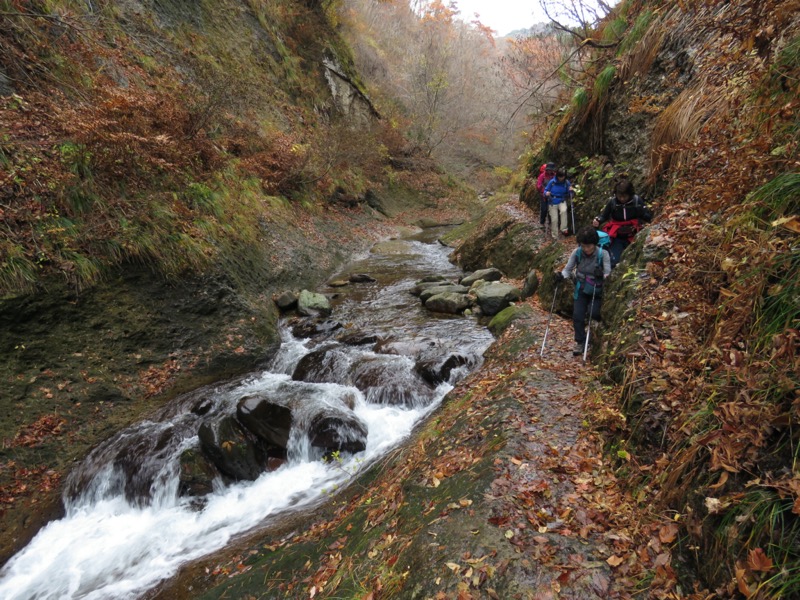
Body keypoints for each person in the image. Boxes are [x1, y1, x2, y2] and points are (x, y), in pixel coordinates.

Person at [555, 227, 611, 356]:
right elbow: (567, 270)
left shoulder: (603, 254)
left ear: (595, 244)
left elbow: (608, 274)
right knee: (577, 316)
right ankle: (580, 342)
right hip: (581, 288)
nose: (586, 249)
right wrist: (561, 276)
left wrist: (601, 275)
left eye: (589, 246)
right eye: (583, 246)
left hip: (596, 290)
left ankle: (592, 338)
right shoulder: (577, 252)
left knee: (594, 313)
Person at [592, 179, 652, 267]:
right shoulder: (612, 202)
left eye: (625, 196)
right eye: (620, 196)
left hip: (634, 235)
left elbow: (649, 218)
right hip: (617, 236)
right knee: (614, 261)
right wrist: (598, 220)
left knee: (634, 261)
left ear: (630, 194)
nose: (622, 199)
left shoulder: (636, 201)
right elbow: (604, 216)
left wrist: (642, 212)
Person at [544, 168, 573, 240]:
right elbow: (546, 190)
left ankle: (564, 229)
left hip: (562, 200)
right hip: (552, 201)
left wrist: (571, 191)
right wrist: (546, 193)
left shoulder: (566, 182)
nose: (561, 178)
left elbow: (570, 193)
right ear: (557, 176)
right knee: (554, 219)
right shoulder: (552, 182)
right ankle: (555, 235)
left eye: (562, 176)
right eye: (560, 176)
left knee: (563, 211)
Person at [536, 162, 556, 230]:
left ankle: (551, 223)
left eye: (551, 170)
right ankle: (542, 222)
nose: (550, 171)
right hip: (543, 195)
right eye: (548, 170)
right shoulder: (542, 176)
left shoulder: (555, 176)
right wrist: (544, 191)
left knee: (552, 209)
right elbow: (538, 185)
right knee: (544, 209)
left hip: (552, 195)